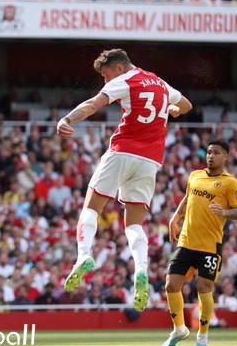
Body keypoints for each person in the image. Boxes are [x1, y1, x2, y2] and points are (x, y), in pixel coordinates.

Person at [56, 48, 192, 312]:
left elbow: (93, 104)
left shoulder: (125, 80)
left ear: (118, 68)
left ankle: (84, 255)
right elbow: (186, 105)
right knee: (134, 224)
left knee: (91, 208)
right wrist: (173, 109)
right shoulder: (160, 83)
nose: (106, 80)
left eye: (106, 75)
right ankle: (140, 269)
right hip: (150, 160)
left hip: (122, 151)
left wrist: (68, 118)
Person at [162, 140, 237, 346]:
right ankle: (179, 329)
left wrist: (224, 212)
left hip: (210, 246)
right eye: (208, 152)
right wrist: (175, 218)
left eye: (216, 152)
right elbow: (187, 198)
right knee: (171, 285)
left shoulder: (230, 183)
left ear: (226, 156)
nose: (210, 156)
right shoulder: (195, 175)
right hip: (186, 241)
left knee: (204, 288)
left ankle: (202, 337)